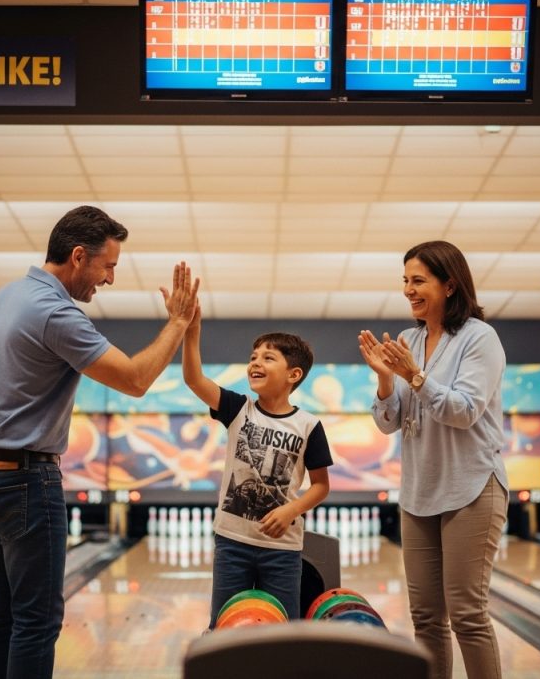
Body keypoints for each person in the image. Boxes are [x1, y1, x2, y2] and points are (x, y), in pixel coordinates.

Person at [0, 205, 198, 679]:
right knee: (36, 620)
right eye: (108, 266)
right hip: (25, 478)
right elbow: (134, 379)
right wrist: (178, 323)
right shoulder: (55, 313)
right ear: (78, 255)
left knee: (0, 612)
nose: (108, 279)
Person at [359, 240, 508, 679]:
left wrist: (415, 376)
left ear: (450, 284)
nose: (409, 289)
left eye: (418, 280)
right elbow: (391, 423)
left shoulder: (480, 339)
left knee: (467, 614)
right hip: (419, 492)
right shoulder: (410, 340)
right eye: (405, 281)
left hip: (471, 488)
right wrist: (387, 381)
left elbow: (464, 411)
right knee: (426, 617)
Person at [182, 304, 332, 627]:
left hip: (283, 550)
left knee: (282, 630)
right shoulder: (238, 409)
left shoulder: (308, 425)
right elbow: (194, 380)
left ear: (294, 375)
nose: (255, 362)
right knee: (223, 626)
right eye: (253, 357)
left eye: (268, 357)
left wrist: (291, 510)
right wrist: (191, 331)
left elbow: (322, 485)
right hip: (232, 543)